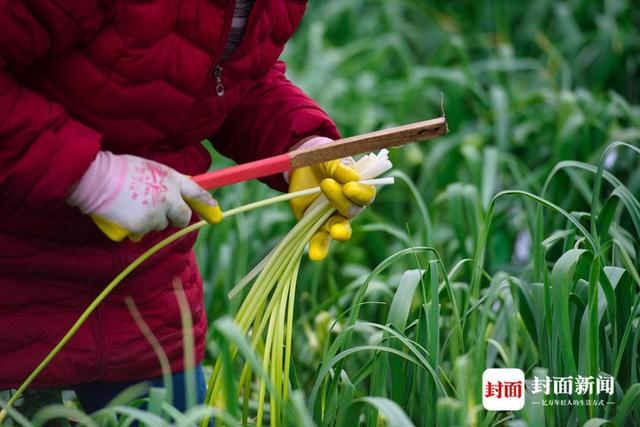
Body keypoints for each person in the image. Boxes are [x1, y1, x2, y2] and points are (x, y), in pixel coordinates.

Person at [0, 0, 374, 418]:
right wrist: (89, 176)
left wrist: (301, 144)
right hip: (14, 277)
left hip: (142, 282)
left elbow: (215, 73)